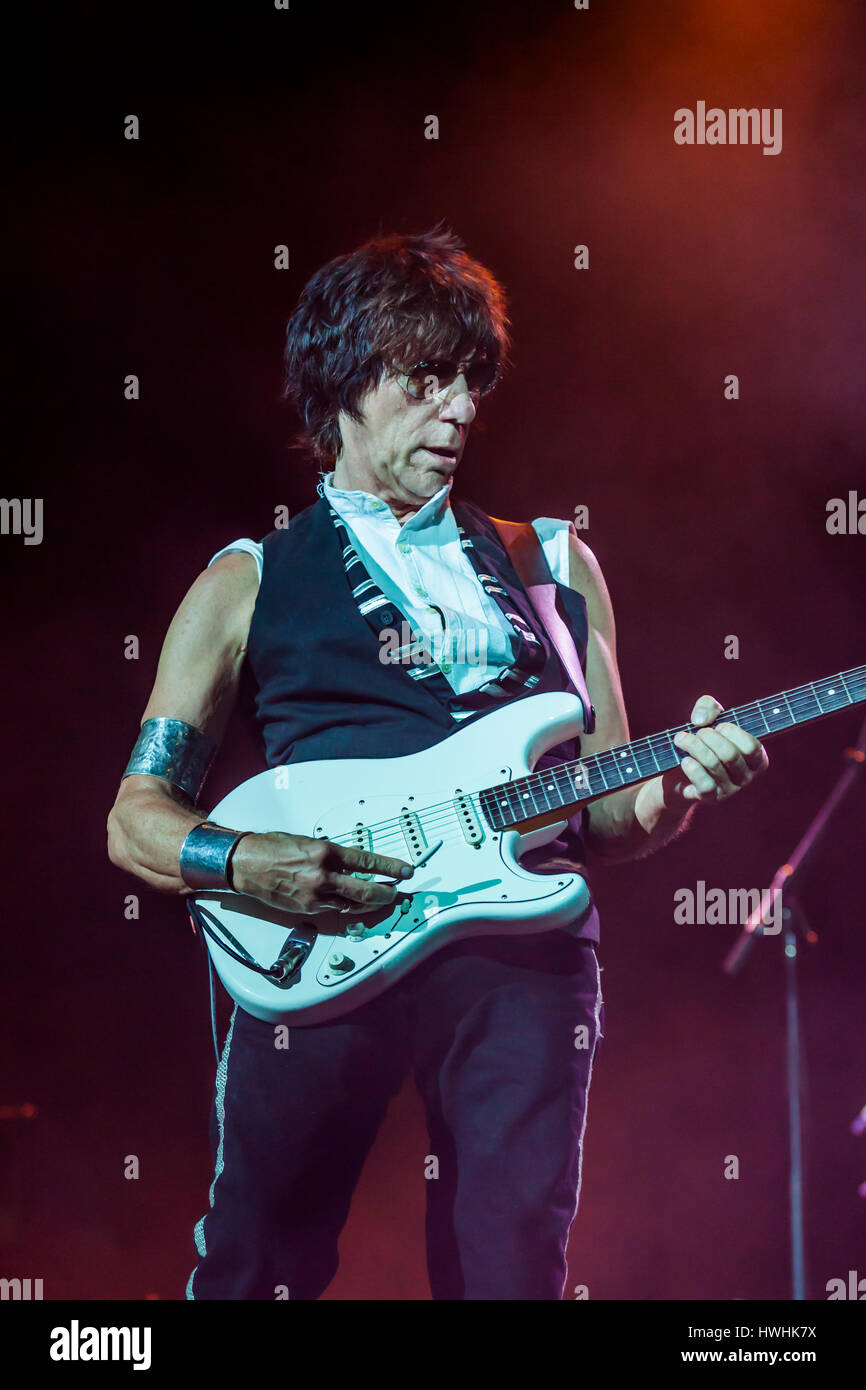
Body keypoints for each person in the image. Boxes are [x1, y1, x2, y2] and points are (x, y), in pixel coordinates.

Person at [107, 225, 769, 1300]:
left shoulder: (549, 563)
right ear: (341, 386)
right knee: (256, 1265)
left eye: (471, 379)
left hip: (522, 955)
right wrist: (244, 864)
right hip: (316, 940)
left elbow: (606, 817)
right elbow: (134, 817)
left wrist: (679, 786)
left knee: (511, 1268)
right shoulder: (246, 581)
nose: (459, 407)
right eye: (424, 379)